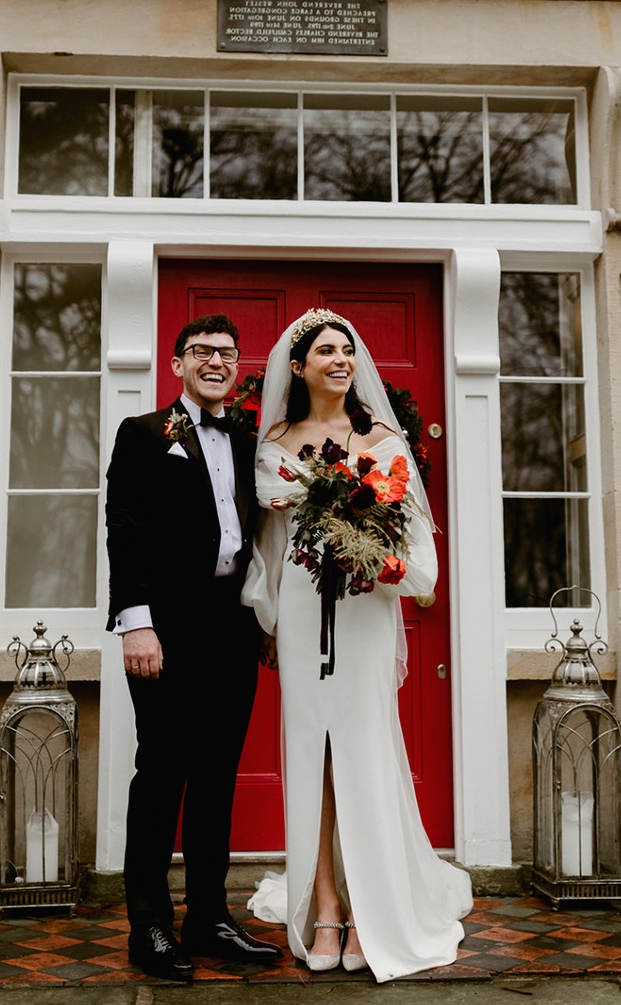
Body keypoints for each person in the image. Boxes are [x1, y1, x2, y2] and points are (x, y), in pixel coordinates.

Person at [241, 308, 473, 984]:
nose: (341, 359)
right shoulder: (277, 437)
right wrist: (269, 616)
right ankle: (325, 903)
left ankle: (376, 908)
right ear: (298, 364)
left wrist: (381, 558)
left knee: (363, 747)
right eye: (326, 350)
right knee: (312, 752)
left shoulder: (383, 439)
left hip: (364, 609)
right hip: (305, 604)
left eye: (348, 349)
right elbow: (270, 534)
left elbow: (410, 542)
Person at [105, 313, 283, 980]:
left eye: (226, 352)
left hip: (232, 628)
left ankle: (207, 917)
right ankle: (148, 926)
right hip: (165, 628)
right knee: (160, 775)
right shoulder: (145, 434)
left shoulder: (247, 438)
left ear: (237, 365)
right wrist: (136, 620)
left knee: (216, 776)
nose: (215, 360)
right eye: (202, 350)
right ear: (178, 361)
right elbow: (125, 527)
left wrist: (265, 621)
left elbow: (264, 542)